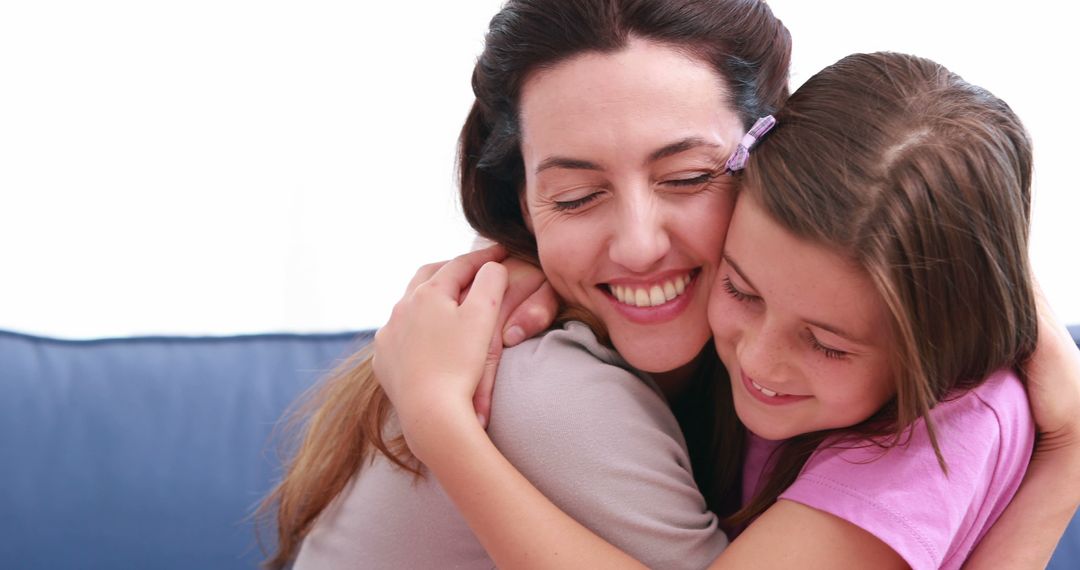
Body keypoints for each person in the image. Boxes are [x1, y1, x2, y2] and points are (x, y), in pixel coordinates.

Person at [373, 52, 1080, 569]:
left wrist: (439, 421)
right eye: (740, 290)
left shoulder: (946, 426)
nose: (758, 359)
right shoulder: (807, 313)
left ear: (939, 340)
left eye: (827, 345)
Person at [261, 1, 791, 568]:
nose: (638, 246)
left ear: (777, 159)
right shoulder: (553, 388)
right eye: (576, 198)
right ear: (525, 208)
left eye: (687, 178)